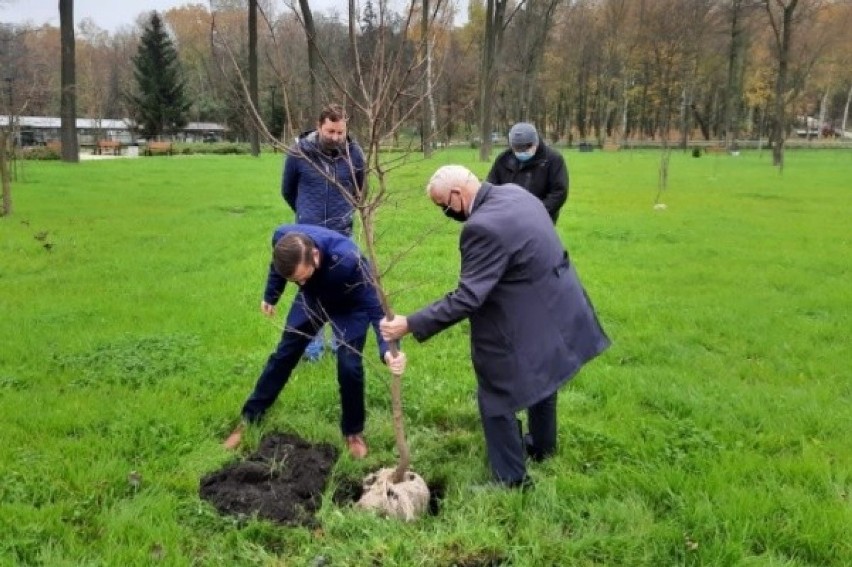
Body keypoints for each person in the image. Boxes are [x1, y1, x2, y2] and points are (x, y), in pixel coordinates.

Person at [379, 165, 609, 488]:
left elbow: (468, 296)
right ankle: (542, 447)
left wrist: (410, 323)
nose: (444, 212)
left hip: (528, 313)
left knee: (496, 394)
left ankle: (511, 480)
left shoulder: (481, 227)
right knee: (546, 372)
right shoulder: (515, 193)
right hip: (555, 301)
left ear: (458, 195)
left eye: (442, 204)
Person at [224, 224, 405, 458]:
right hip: (312, 301)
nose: (299, 283)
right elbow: (277, 268)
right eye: (295, 281)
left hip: (350, 306)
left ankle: (353, 432)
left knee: (349, 366)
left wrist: (388, 350)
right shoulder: (284, 240)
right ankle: (250, 418)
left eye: (302, 276)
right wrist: (272, 295)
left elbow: (376, 307)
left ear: (316, 256)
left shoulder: (349, 259)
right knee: (283, 356)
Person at [282, 104, 365, 362]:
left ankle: (343, 344)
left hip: (341, 234)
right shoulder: (299, 153)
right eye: (330, 131)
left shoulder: (354, 154)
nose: (336, 137)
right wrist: (307, 215)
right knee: (310, 291)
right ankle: (311, 350)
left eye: (340, 132)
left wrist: (345, 212)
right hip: (309, 234)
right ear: (319, 127)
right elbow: (288, 190)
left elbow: (360, 189)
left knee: (343, 288)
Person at [486, 122, 568, 224]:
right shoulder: (503, 159)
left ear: (536, 142)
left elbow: (559, 192)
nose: (522, 152)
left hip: (541, 219)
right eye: (517, 148)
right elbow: (491, 187)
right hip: (508, 218)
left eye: (526, 147)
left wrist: (538, 212)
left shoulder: (553, 159)